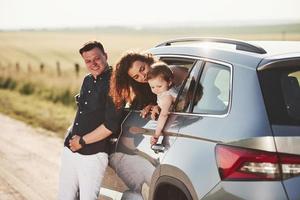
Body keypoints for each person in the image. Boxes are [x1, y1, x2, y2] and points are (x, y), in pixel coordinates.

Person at [58, 41, 122, 200]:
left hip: (93, 154)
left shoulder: (115, 83)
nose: (93, 64)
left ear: (105, 56)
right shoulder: (87, 80)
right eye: (88, 61)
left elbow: (111, 125)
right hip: (70, 149)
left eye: (97, 58)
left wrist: (83, 141)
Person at [109, 51, 158, 116]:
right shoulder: (143, 91)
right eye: (136, 77)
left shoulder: (171, 74)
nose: (143, 76)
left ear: (149, 61)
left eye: (142, 69)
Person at [146, 62, 177, 145]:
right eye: (152, 87)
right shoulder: (163, 92)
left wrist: (156, 135)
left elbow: (164, 115)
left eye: (159, 86)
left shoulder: (167, 96)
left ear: (169, 82)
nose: (156, 90)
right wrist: (157, 107)